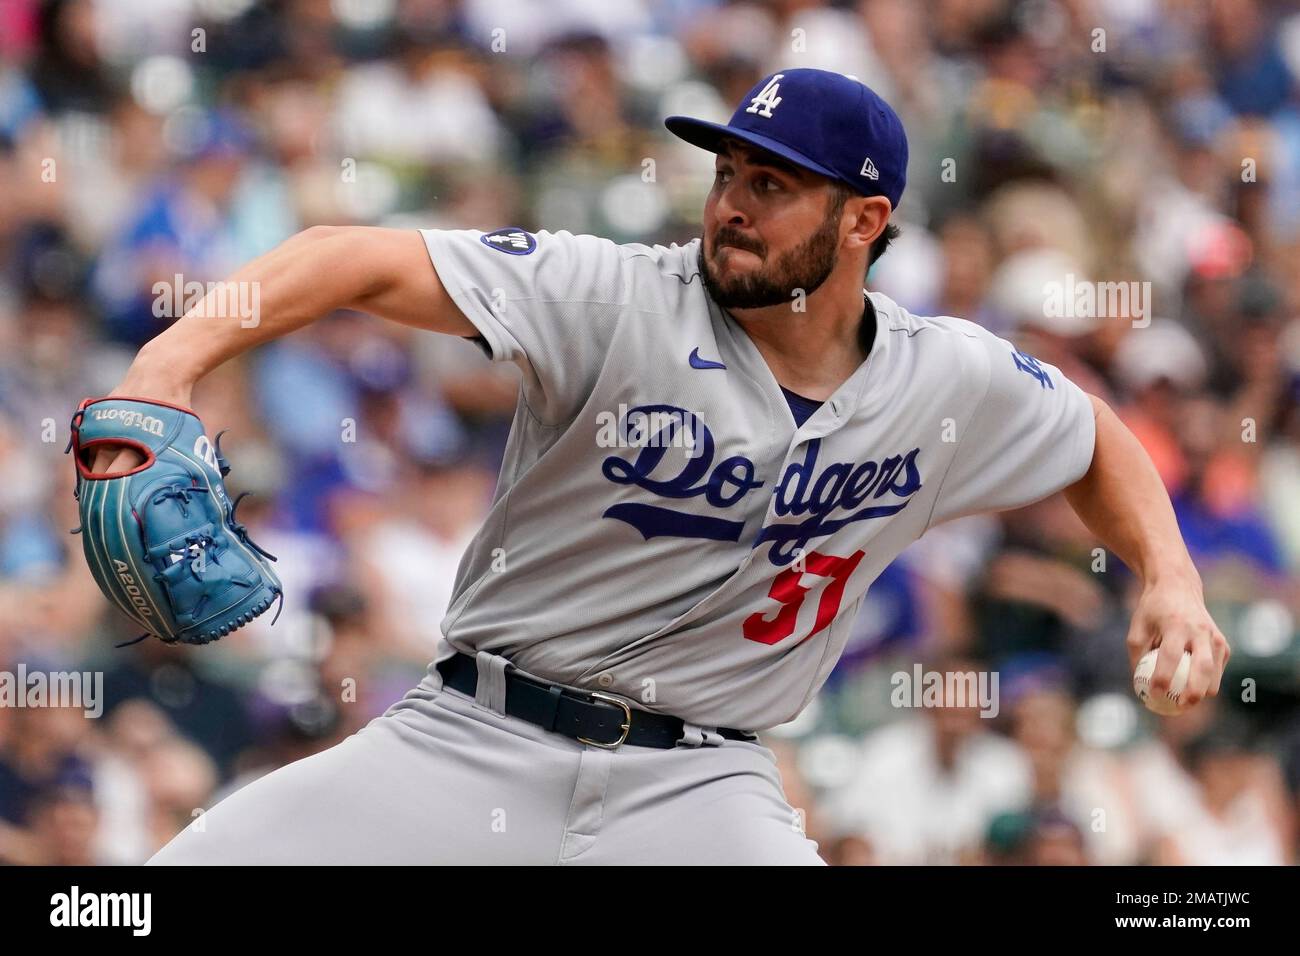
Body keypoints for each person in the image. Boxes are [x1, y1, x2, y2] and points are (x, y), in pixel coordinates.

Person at [86, 69, 1229, 865]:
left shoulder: (945, 380)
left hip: (701, 786)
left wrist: (1167, 572)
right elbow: (347, 257)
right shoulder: (612, 295)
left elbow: (1092, 434)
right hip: (472, 738)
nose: (729, 204)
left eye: (771, 186)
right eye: (726, 170)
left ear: (866, 219)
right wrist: (169, 361)